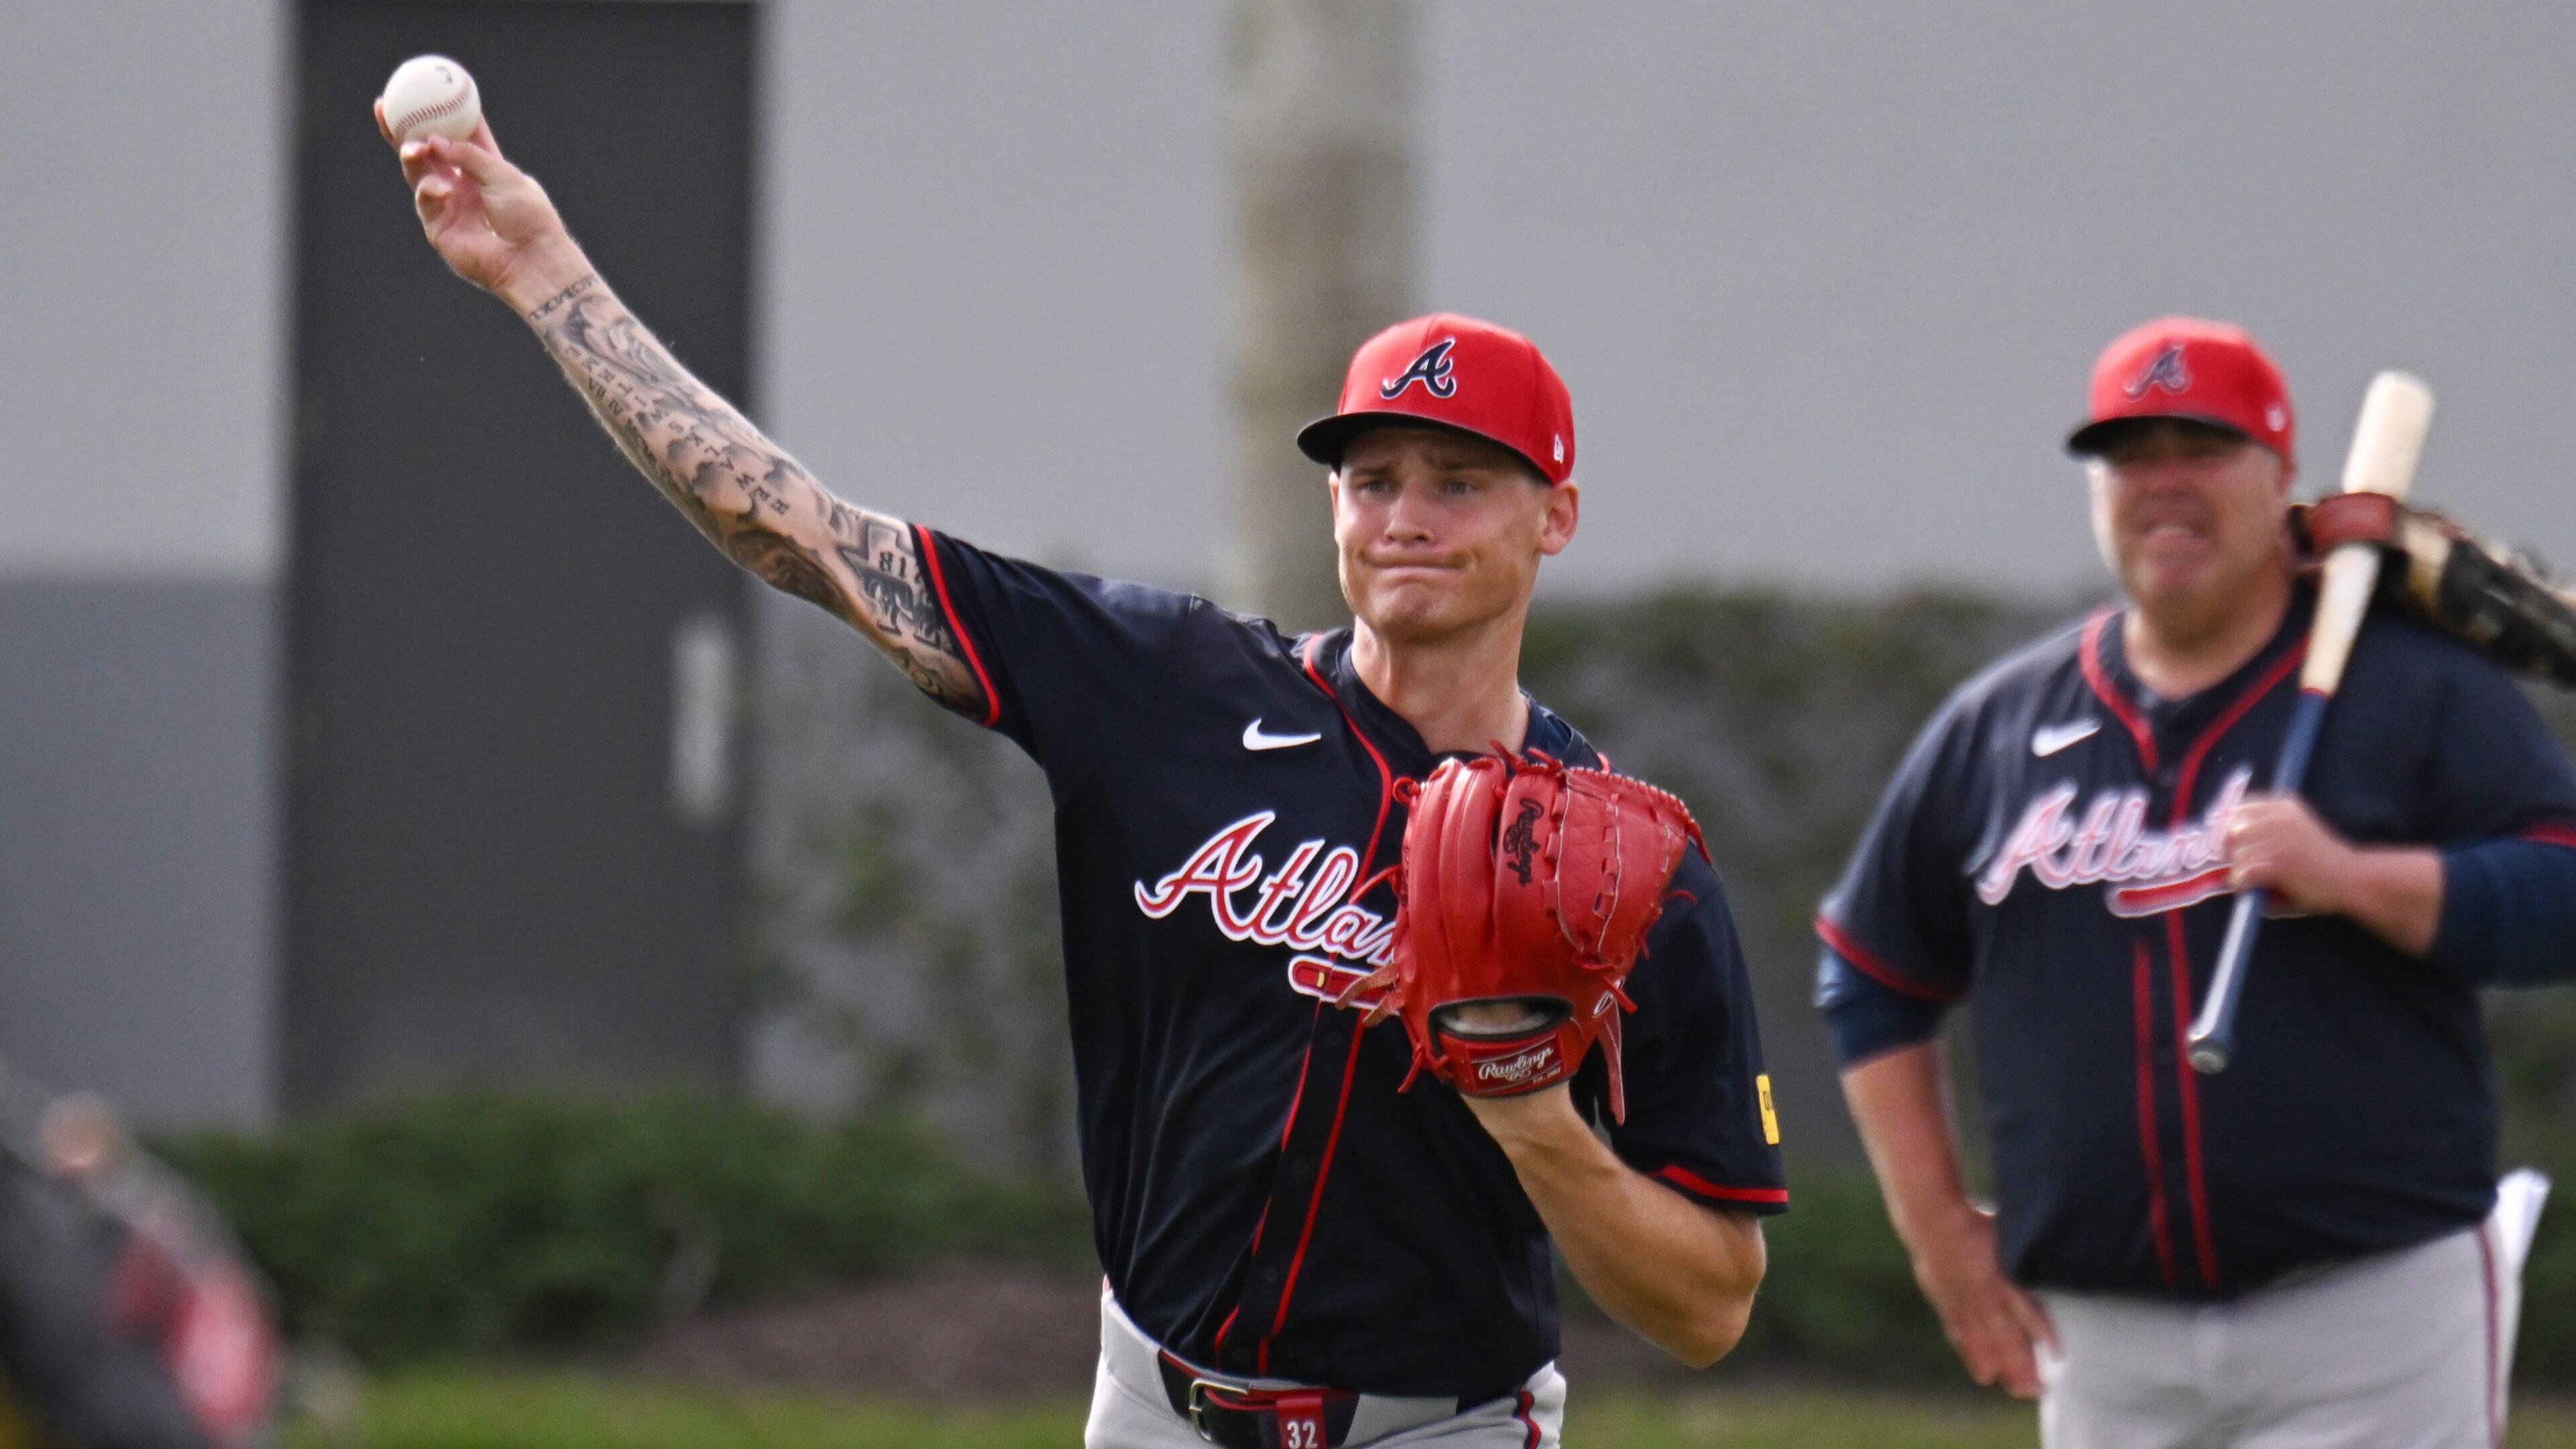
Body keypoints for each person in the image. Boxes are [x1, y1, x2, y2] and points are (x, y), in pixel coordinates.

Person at [382, 104, 1784, 1448]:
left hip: (1444, 1429)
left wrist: (1538, 1120)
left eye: (1458, 482)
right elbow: (798, 534)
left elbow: (1714, 1306)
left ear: (1558, 518)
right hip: (1151, 1409)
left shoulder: (1629, 870)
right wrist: (544, 272)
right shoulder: (1167, 689)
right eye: (1373, 479)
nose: (1405, 518)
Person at [1817, 315, 2576, 1448]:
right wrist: (1936, 1234)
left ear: (2282, 481)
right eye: (2133, 457)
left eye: (2202, 450)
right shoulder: (2001, 726)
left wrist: (2359, 877)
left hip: (2374, 1317)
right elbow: (1870, 973)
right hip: (2102, 1336)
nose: (2164, 484)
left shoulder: (2412, 690)